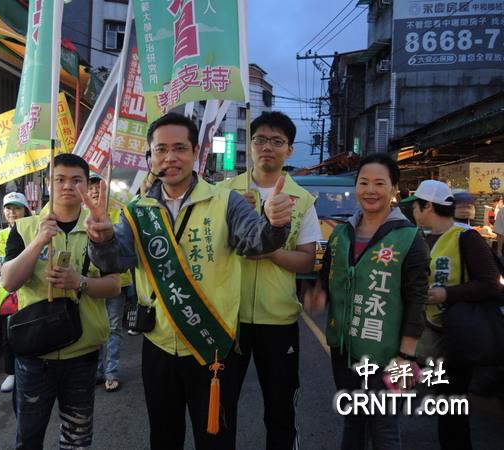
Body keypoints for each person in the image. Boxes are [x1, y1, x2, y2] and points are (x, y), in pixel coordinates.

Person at [81, 112, 294, 450]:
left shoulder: (225, 201)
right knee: (163, 438)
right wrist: (101, 239)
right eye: (160, 149)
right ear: (149, 157)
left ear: (196, 151)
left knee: (216, 439)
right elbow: (116, 261)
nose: (170, 157)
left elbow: (256, 240)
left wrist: (274, 223)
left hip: (212, 344)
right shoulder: (138, 210)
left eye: (180, 147)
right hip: (159, 344)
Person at [307, 153, 430, 450]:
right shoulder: (341, 234)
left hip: (389, 353)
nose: (370, 190)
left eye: (379, 183)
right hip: (345, 350)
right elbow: (327, 276)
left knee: (384, 427)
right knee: (354, 421)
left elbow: (418, 299)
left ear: (394, 190)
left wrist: (406, 355)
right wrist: (319, 294)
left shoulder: (409, 238)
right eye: (363, 182)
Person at [0, 154, 121, 449]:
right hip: (34, 355)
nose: (68, 186)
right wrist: (39, 241)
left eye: (76, 180)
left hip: (82, 353)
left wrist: (78, 282)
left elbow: (115, 286)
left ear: (85, 184)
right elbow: (9, 281)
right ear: (48, 183)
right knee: (28, 437)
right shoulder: (24, 228)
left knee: (77, 439)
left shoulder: (100, 229)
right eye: (60, 179)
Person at [218, 111, 321, 449]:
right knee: (220, 410)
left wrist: (270, 251)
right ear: (250, 145)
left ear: (289, 150)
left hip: (278, 320)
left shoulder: (302, 199)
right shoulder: (223, 193)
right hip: (226, 317)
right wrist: (238, 218)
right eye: (260, 139)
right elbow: (208, 249)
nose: (268, 147)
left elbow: (307, 259)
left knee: (279, 410)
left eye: (277, 141)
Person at [401, 179, 502, 450]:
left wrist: (448, 294)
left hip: (457, 339)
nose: (413, 212)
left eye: (416, 206)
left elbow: (491, 283)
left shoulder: (467, 237)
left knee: (451, 409)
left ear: (428, 207)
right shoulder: (420, 237)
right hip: (422, 336)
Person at [87, 174, 131, 392]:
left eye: (99, 186)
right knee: (94, 325)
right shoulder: (82, 216)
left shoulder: (120, 211)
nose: (95, 190)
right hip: (90, 282)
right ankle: (96, 369)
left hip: (117, 282)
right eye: (91, 187)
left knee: (113, 327)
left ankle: (110, 372)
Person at [0, 192, 31, 393]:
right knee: (8, 336)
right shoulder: (0, 236)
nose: (12, 213)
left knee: (31, 331)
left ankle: (31, 369)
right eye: (8, 209)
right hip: (8, 296)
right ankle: (11, 373)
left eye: (17, 208)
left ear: (25, 210)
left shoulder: (33, 230)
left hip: (31, 294)